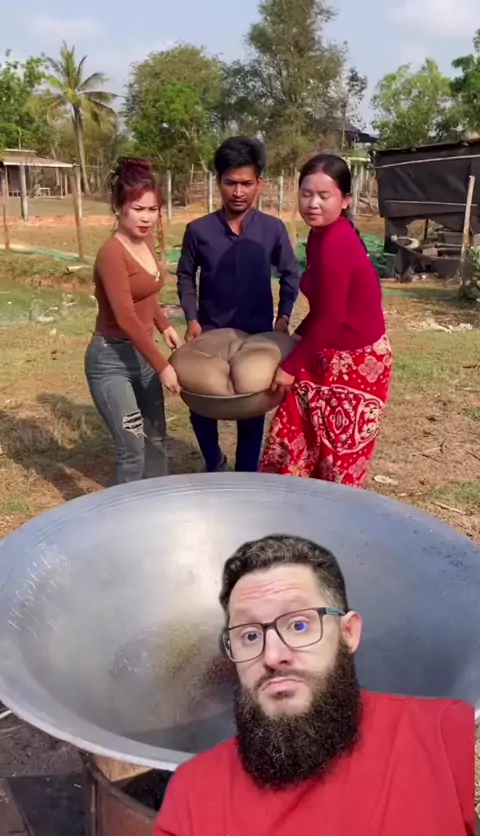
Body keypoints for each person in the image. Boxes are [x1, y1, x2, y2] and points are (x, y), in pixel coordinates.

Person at [154, 533, 475, 836]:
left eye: (298, 625)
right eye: (250, 635)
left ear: (348, 633)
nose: (272, 656)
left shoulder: (442, 733)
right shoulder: (192, 795)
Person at [260, 154, 392, 487]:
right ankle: (283, 503)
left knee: (337, 463)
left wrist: (291, 366)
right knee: (291, 437)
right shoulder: (319, 236)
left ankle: (328, 514)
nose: (313, 203)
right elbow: (323, 309)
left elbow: (332, 317)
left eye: (324, 195)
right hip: (326, 351)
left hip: (357, 364)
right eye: (306, 194)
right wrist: (297, 339)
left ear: (345, 200)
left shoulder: (336, 241)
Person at [177, 136, 300, 473]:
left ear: (259, 183)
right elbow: (185, 276)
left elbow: (291, 273)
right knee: (201, 405)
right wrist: (192, 318)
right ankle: (213, 461)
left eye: (246, 183)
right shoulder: (198, 230)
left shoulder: (272, 229)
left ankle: (246, 475)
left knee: (252, 409)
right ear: (218, 181)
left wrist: (283, 317)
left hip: (258, 333)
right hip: (210, 333)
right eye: (230, 183)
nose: (238, 192)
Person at [85, 157, 183, 485]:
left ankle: (157, 504)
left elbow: (146, 293)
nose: (146, 217)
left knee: (156, 439)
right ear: (118, 206)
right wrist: (162, 365)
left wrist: (164, 325)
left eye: (153, 209)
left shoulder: (146, 242)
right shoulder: (111, 254)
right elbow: (125, 315)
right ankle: (125, 510)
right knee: (133, 447)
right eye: (138, 208)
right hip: (110, 360)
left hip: (142, 354)